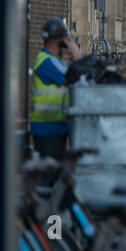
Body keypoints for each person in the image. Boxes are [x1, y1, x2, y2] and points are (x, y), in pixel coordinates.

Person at [30, 18, 82, 159]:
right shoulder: (46, 62)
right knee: (50, 174)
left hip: (56, 126)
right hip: (47, 127)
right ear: (59, 39)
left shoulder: (56, 61)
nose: (67, 41)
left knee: (56, 172)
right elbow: (76, 77)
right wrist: (75, 52)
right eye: (65, 38)